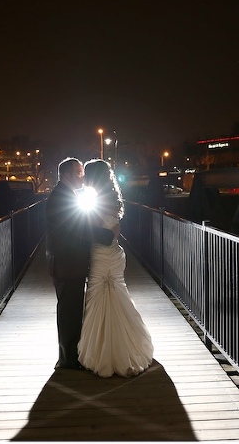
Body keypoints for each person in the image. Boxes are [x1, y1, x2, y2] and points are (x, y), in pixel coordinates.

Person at [77, 159, 154, 378]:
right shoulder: (112, 198)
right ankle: (127, 347)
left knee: (98, 299)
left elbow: (89, 231)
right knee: (117, 297)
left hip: (100, 254)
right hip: (114, 253)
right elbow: (113, 229)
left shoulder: (90, 199)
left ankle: (99, 351)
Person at [46, 157, 117, 369]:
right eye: (78, 172)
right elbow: (77, 229)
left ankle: (69, 355)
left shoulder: (64, 195)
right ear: (67, 175)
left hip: (69, 263)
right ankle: (68, 359)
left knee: (71, 309)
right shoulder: (62, 198)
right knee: (69, 310)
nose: (82, 176)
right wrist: (106, 235)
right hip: (67, 265)